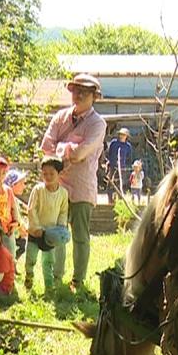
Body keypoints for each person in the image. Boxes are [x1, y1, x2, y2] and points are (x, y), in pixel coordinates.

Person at [40, 73, 105, 292]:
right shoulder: (60, 117)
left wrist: (61, 148)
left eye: (84, 92)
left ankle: (78, 280)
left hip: (81, 187)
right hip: (57, 187)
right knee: (56, 232)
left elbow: (80, 154)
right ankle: (56, 278)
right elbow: (46, 146)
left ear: (94, 96)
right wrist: (67, 148)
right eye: (75, 91)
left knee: (80, 236)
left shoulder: (98, 124)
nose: (77, 95)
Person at [24, 157, 71, 294]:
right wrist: (36, 227)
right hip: (35, 232)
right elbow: (31, 209)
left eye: (52, 173)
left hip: (51, 233)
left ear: (59, 174)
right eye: (45, 174)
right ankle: (29, 278)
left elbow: (63, 212)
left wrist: (61, 228)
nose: (48, 177)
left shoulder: (63, 193)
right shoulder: (38, 190)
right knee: (31, 258)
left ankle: (49, 287)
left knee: (48, 261)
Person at [105, 127, 133, 194]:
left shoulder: (128, 146)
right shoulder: (114, 143)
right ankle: (110, 200)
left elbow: (129, 158)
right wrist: (109, 162)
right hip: (112, 166)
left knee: (120, 184)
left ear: (126, 136)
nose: (121, 136)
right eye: (120, 134)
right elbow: (109, 152)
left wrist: (126, 167)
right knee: (110, 183)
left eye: (123, 135)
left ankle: (119, 200)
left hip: (122, 168)